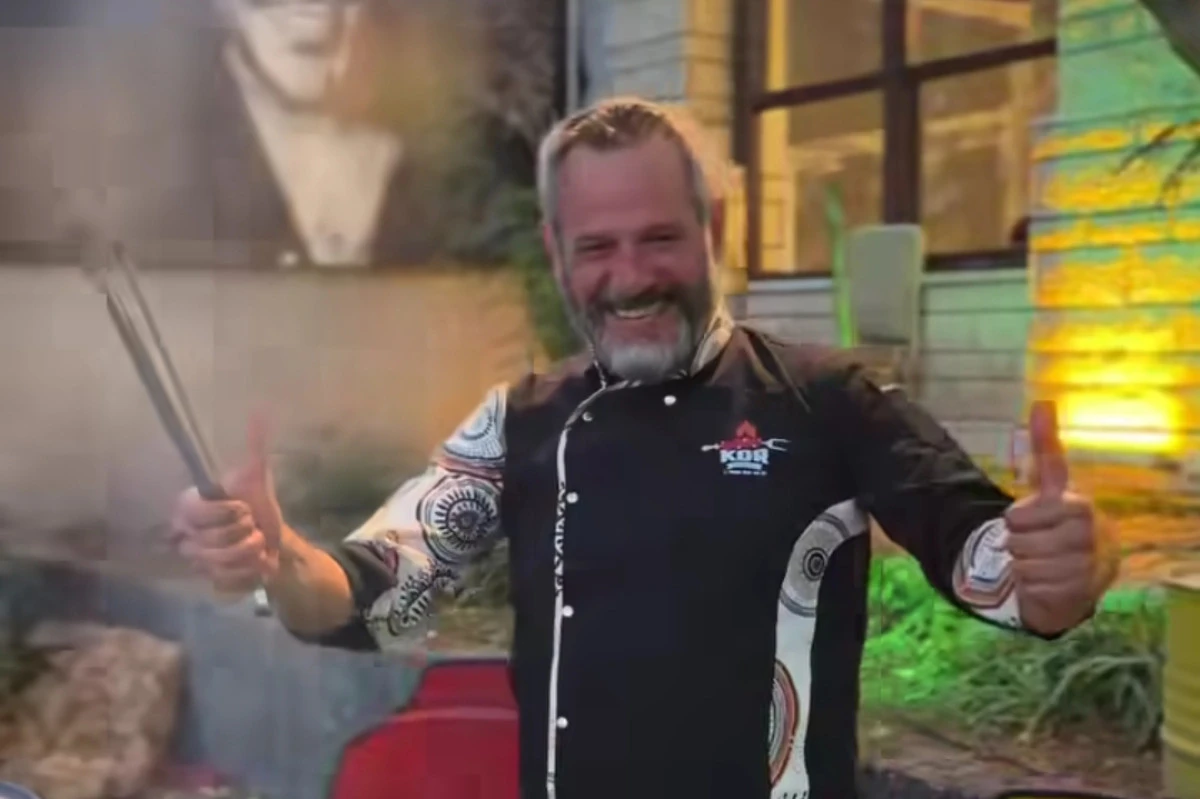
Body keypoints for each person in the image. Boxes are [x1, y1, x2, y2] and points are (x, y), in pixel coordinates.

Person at [171, 97, 1120, 799]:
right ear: (556, 251)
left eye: (659, 238)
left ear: (715, 230)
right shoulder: (518, 421)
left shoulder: (828, 400)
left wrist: (1069, 562)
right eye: (597, 247)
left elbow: (989, 558)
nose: (630, 277)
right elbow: (378, 591)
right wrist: (277, 554)